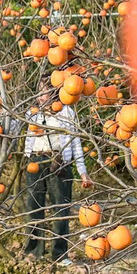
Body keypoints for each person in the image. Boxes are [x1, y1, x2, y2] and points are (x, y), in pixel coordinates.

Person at [22, 82, 91, 264]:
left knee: (61, 208)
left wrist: (82, 172)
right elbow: (24, 138)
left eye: (44, 92)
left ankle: (60, 255)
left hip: (59, 162)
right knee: (34, 206)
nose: (40, 96)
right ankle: (34, 250)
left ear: (54, 93)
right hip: (35, 162)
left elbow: (75, 143)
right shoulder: (33, 113)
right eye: (39, 92)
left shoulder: (66, 112)